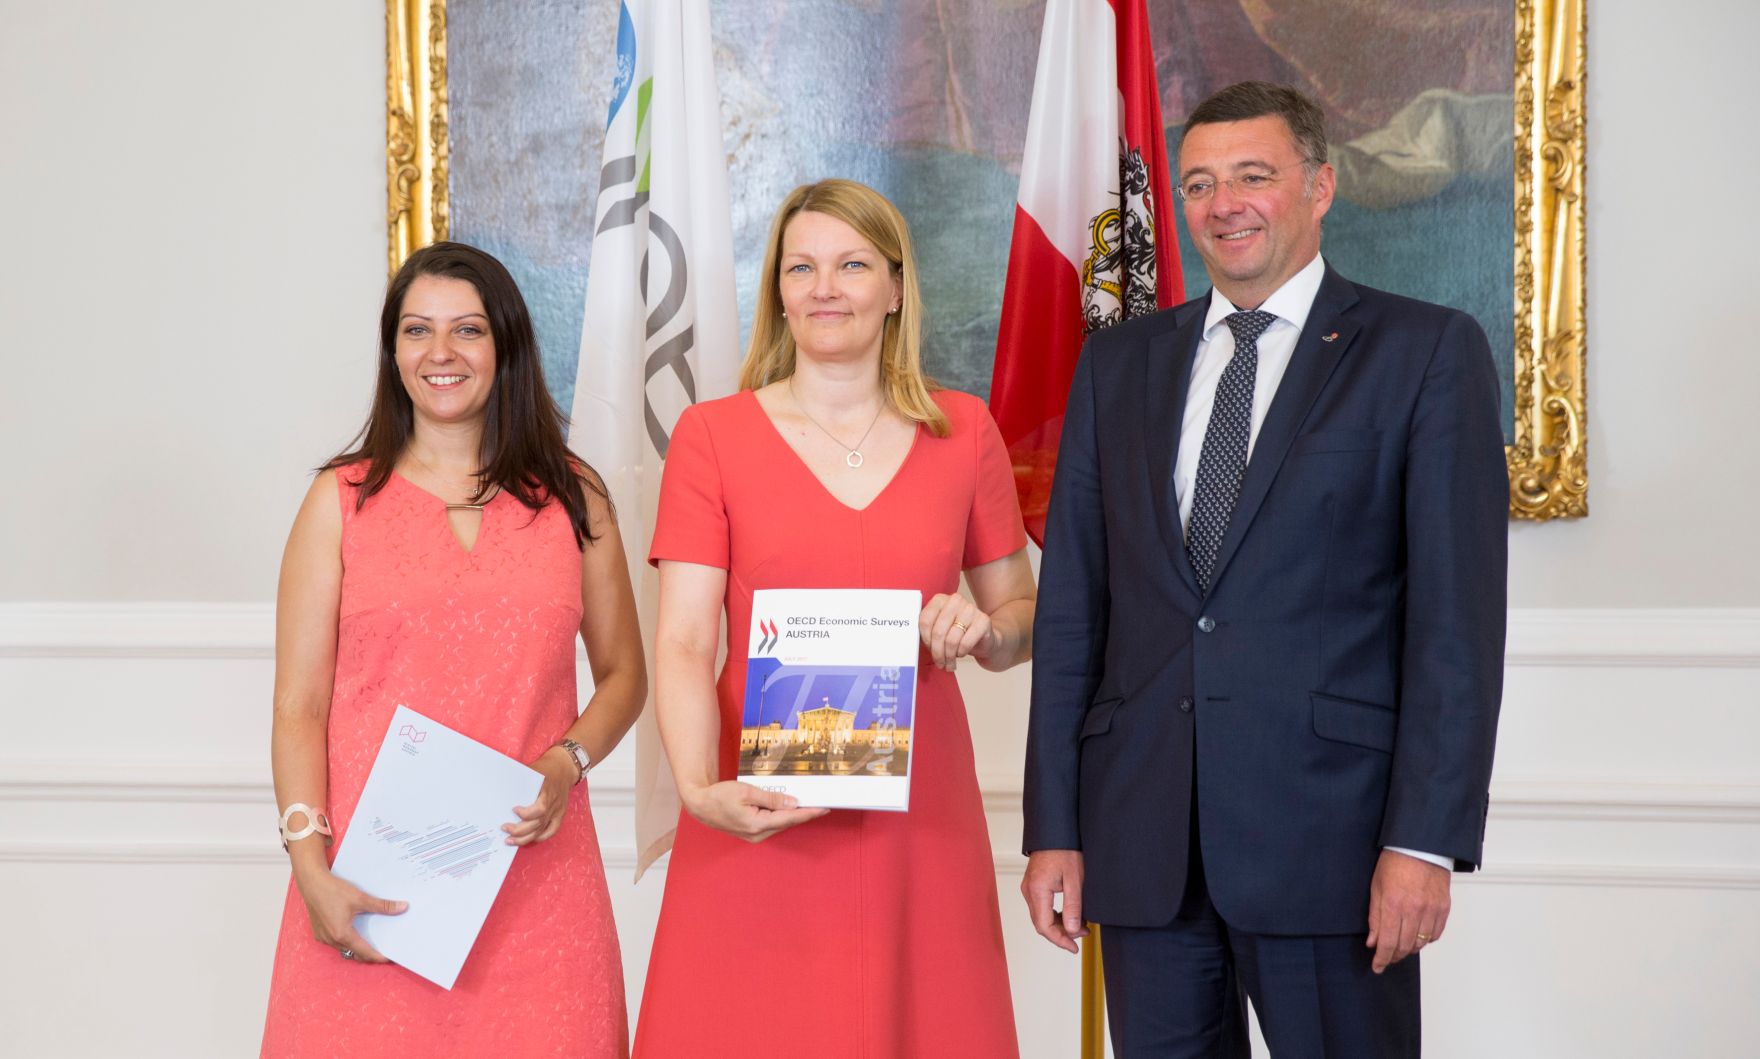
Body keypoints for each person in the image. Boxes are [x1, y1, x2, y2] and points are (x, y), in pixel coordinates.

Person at [1022, 81, 1507, 1057]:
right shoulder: (1117, 367)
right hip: (1142, 845)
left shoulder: (1421, 352)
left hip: (1330, 843)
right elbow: (1073, 611)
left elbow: (1453, 625)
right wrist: (1053, 827)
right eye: (1197, 183)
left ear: (1319, 185)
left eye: (1252, 176)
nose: (1221, 204)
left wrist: (1419, 840)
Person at [634, 179, 1036, 1057]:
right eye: (801, 266)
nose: (825, 287)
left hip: (919, 813)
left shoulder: (964, 431)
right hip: (756, 800)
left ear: (895, 286)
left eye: (852, 264)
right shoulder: (712, 436)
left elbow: (1018, 615)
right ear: (777, 288)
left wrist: (986, 629)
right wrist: (701, 790)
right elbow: (686, 639)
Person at [261, 242, 645, 1057]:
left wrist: (566, 760)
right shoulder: (338, 502)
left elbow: (623, 675)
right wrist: (309, 861)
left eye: (467, 329)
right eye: (417, 330)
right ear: (392, 349)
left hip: (540, 893)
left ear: (505, 345)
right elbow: (299, 703)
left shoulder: (578, 498)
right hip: (372, 889)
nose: (441, 353)